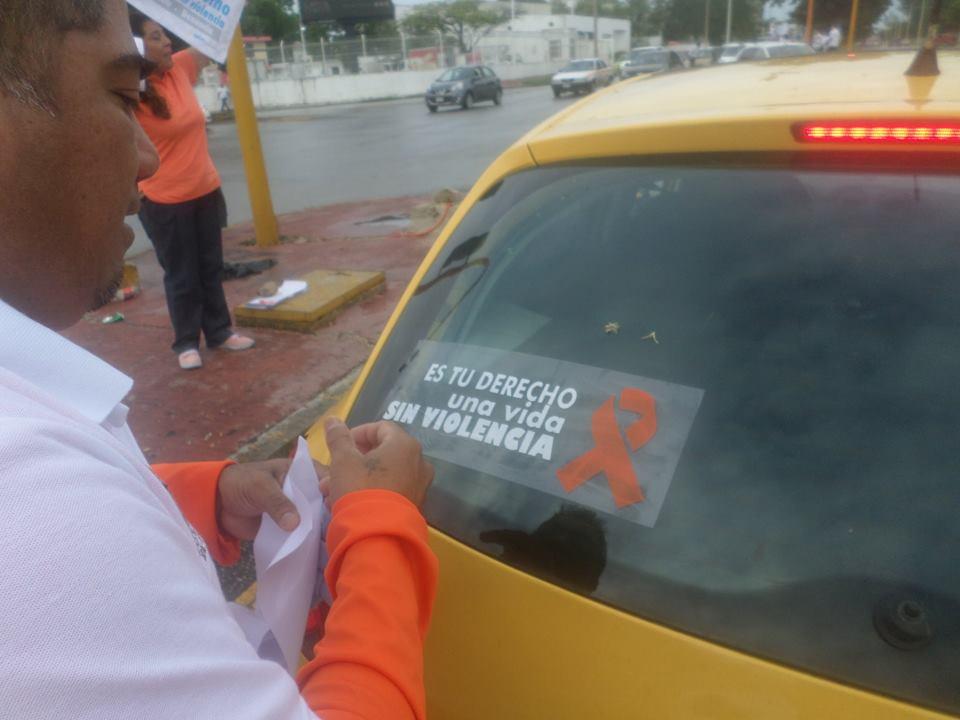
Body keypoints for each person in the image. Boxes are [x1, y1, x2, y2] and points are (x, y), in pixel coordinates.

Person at [0, 2, 437, 719]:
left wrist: (201, 495)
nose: (145, 155)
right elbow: (61, 535)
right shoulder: (33, 504)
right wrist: (382, 528)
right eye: (120, 97)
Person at [130, 9, 254, 370]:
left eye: (166, 35)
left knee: (210, 267)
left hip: (205, 190)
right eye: (155, 37)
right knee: (182, 275)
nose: (168, 42)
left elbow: (212, 40)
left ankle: (219, 331)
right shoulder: (131, 91)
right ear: (136, 46)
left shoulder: (181, 67)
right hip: (165, 200)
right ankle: (186, 341)